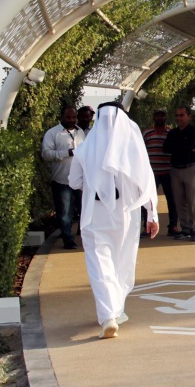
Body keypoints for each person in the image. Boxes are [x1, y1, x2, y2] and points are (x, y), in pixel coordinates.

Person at [68, 102, 159, 339]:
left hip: (94, 215)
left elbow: (74, 182)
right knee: (122, 263)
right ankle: (115, 311)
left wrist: (95, 181)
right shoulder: (133, 146)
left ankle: (109, 315)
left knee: (100, 265)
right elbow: (146, 182)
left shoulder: (86, 148)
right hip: (126, 216)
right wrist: (152, 215)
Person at [41, 106, 85, 250]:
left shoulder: (80, 132)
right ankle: (68, 240)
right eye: (68, 117)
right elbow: (46, 154)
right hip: (62, 180)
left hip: (80, 181)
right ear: (62, 117)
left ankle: (86, 238)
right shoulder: (53, 133)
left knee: (84, 210)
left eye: (74, 117)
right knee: (64, 213)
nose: (71, 120)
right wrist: (67, 153)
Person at [163, 106, 195, 242]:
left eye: (181, 115)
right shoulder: (173, 133)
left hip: (190, 168)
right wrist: (183, 147)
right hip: (175, 169)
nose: (179, 118)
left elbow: (189, 145)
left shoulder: (194, 132)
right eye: (177, 115)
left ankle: (194, 229)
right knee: (179, 201)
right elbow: (166, 148)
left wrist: (180, 147)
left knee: (192, 201)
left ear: (188, 116)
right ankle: (185, 228)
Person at [141, 109, 180, 238]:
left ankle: (173, 226)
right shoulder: (147, 133)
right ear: (153, 118)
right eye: (157, 116)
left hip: (168, 172)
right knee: (148, 200)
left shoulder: (171, 133)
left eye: (162, 116)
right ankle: (147, 227)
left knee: (172, 200)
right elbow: (141, 150)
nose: (159, 118)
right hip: (151, 173)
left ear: (166, 118)